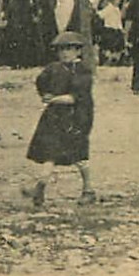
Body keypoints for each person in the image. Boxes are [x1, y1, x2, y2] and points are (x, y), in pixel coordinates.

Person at [23, 32, 96, 207]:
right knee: (50, 154)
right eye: (61, 50)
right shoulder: (53, 68)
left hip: (75, 118)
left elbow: (75, 98)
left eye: (69, 49)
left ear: (78, 51)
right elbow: (40, 81)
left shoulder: (83, 72)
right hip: (54, 118)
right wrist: (45, 94)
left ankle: (88, 189)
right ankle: (39, 188)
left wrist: (52, 99)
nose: (65, 53)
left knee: (79, 157)